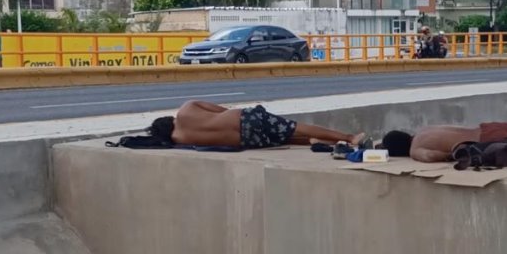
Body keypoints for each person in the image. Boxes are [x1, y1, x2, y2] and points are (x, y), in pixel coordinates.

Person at [147, 100, 365, 149]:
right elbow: (222, 111)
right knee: (294, 127)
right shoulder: (186, 109)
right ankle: (348, 137)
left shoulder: (179, 140)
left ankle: (315, 142)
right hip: (243, 119)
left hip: (246, 141)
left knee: (284, 137)